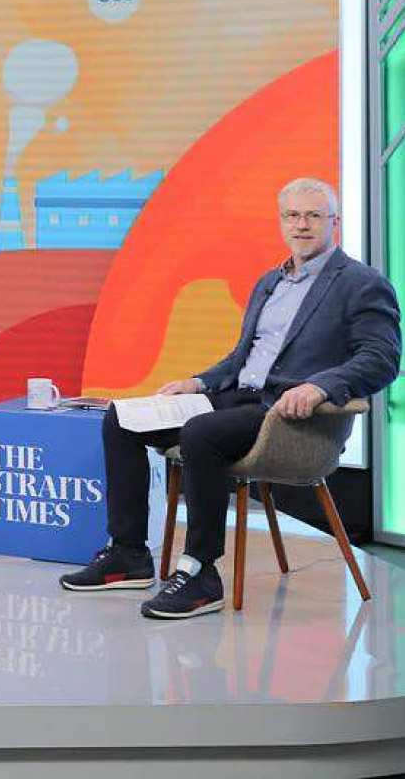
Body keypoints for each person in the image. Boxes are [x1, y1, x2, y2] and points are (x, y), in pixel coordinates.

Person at [60, 178, 401, 618]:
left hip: (286, 414)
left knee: (202, 433)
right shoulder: (269, 281)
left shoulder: (361, 283)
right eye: (292, 215)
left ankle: (201, 574)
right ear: (281, 222)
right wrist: (198, 382)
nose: (302, 225)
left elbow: (382, 358)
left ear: (333, 222)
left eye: (314, 215)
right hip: (237, 397)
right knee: (122, 418)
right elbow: (243, 357)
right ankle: (129, 554)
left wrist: (320, 386)